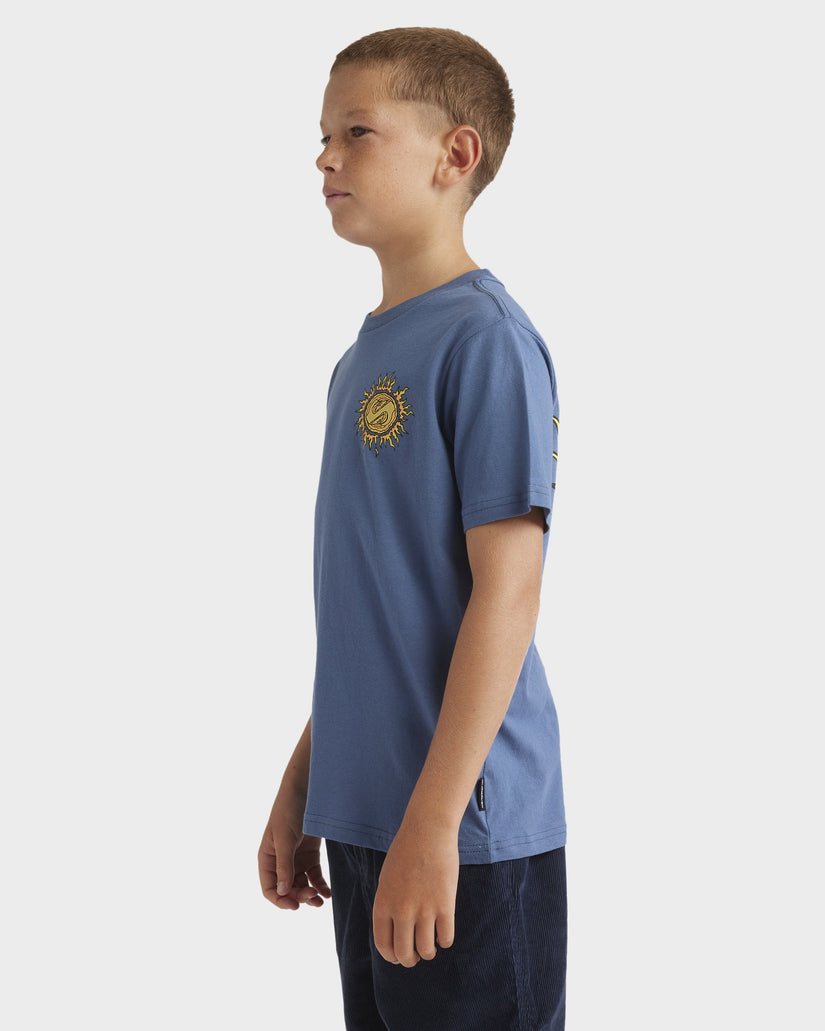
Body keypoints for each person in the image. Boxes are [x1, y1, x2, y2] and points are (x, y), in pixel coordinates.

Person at [258, 27, 567, 1030]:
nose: (325, 157)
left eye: (356, 131)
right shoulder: (360, 360)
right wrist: (306, 781)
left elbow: (508, 591)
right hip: (368, 821)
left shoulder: (486, 340)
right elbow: (379, 610)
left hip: (460, 830)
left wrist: (433, 823)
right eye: (321, 135)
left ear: (454, 154)